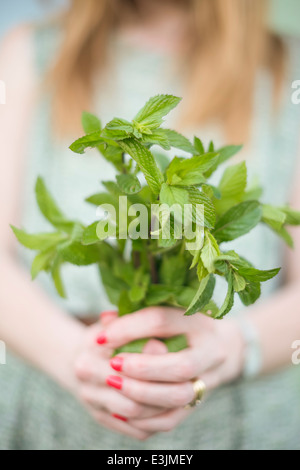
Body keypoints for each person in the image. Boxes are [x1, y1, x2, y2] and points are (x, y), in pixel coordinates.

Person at [0, 0, 300, 450]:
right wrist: (76, 359)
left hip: (244, 429)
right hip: (49, 421)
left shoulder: (285, 69)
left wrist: (233, 347)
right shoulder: (32, 53)